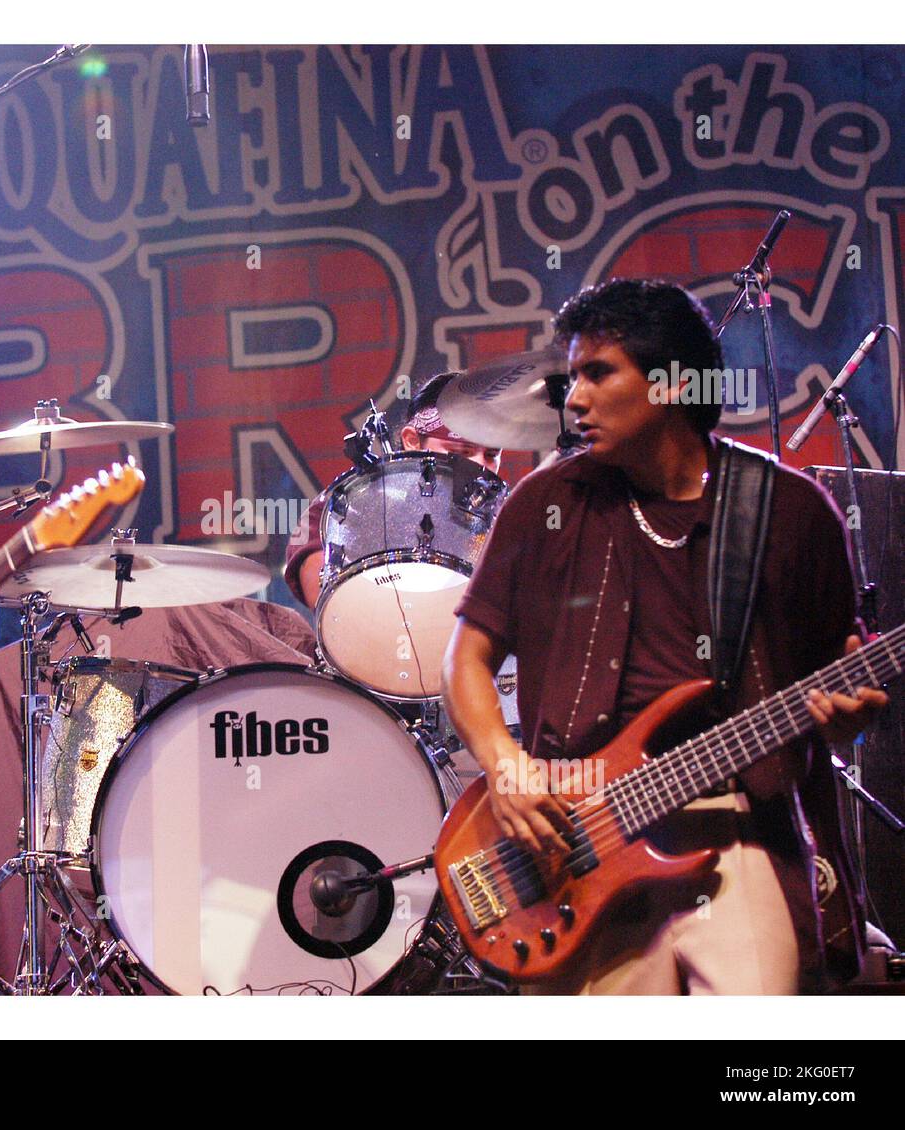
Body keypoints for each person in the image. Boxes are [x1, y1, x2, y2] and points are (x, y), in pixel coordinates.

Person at [442, 278, 887, 994]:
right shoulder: (544, 504)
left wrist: (850, 722)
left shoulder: (791, 512)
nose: (573, 397)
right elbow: (466, 657)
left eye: (597, 372)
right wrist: (503, 763)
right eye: (571, 377)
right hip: (575, 843)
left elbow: (833, 683)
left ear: (675, 381)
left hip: (733, 830)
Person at [284, 372, 503, 608]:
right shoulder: (347, 502)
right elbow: (323, 596)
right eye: (463, 452)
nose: (481, 465)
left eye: (491, 455)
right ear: (412, 440)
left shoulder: (507, 515)